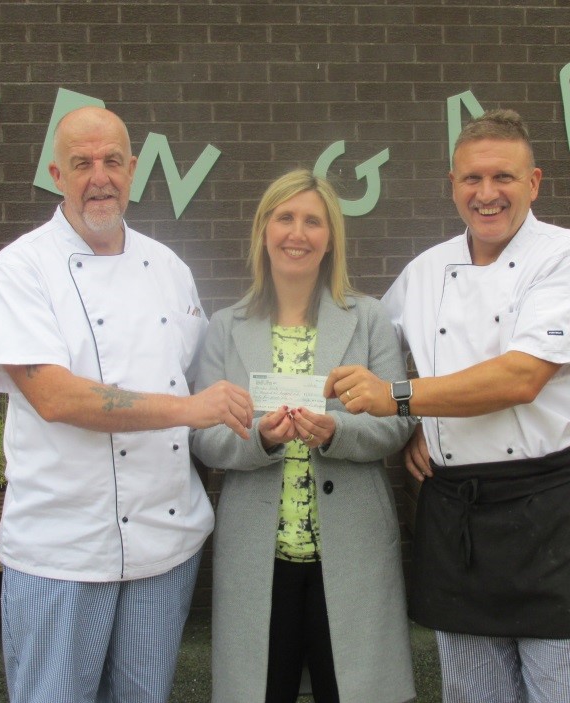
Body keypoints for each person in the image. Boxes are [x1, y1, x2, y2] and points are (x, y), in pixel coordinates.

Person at [324, 109, 570, 703]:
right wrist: (418, 420)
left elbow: (520, 377)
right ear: (452, 184)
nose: (487, 195)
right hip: (454, 512)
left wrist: (404, 399)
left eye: (503, 178)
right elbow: (371, 343)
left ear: (533, 182)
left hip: (550, 513)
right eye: (471, 179)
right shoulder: (427, 269)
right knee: (472, 694)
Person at [0, 106, 253, 703]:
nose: (98, 177)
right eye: (81, 164)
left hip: (165, 545)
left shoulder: (169, 269)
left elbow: (209, 374)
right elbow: (54, 396)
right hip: (62, 551)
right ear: (56, 174)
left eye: (110, 162)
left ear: (132, 168)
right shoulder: (20, 270)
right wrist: (188, 409)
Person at [190, 170, 416, 703]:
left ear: (330, 236)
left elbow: (398, 419)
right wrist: (260, 440)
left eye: (313, 221)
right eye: (285, 217)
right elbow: (203, 435)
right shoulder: (226, 327)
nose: (298, 232)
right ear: (264, 230)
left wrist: (336, 430)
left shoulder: (368, 319)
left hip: (352, 552)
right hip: (258, 557)